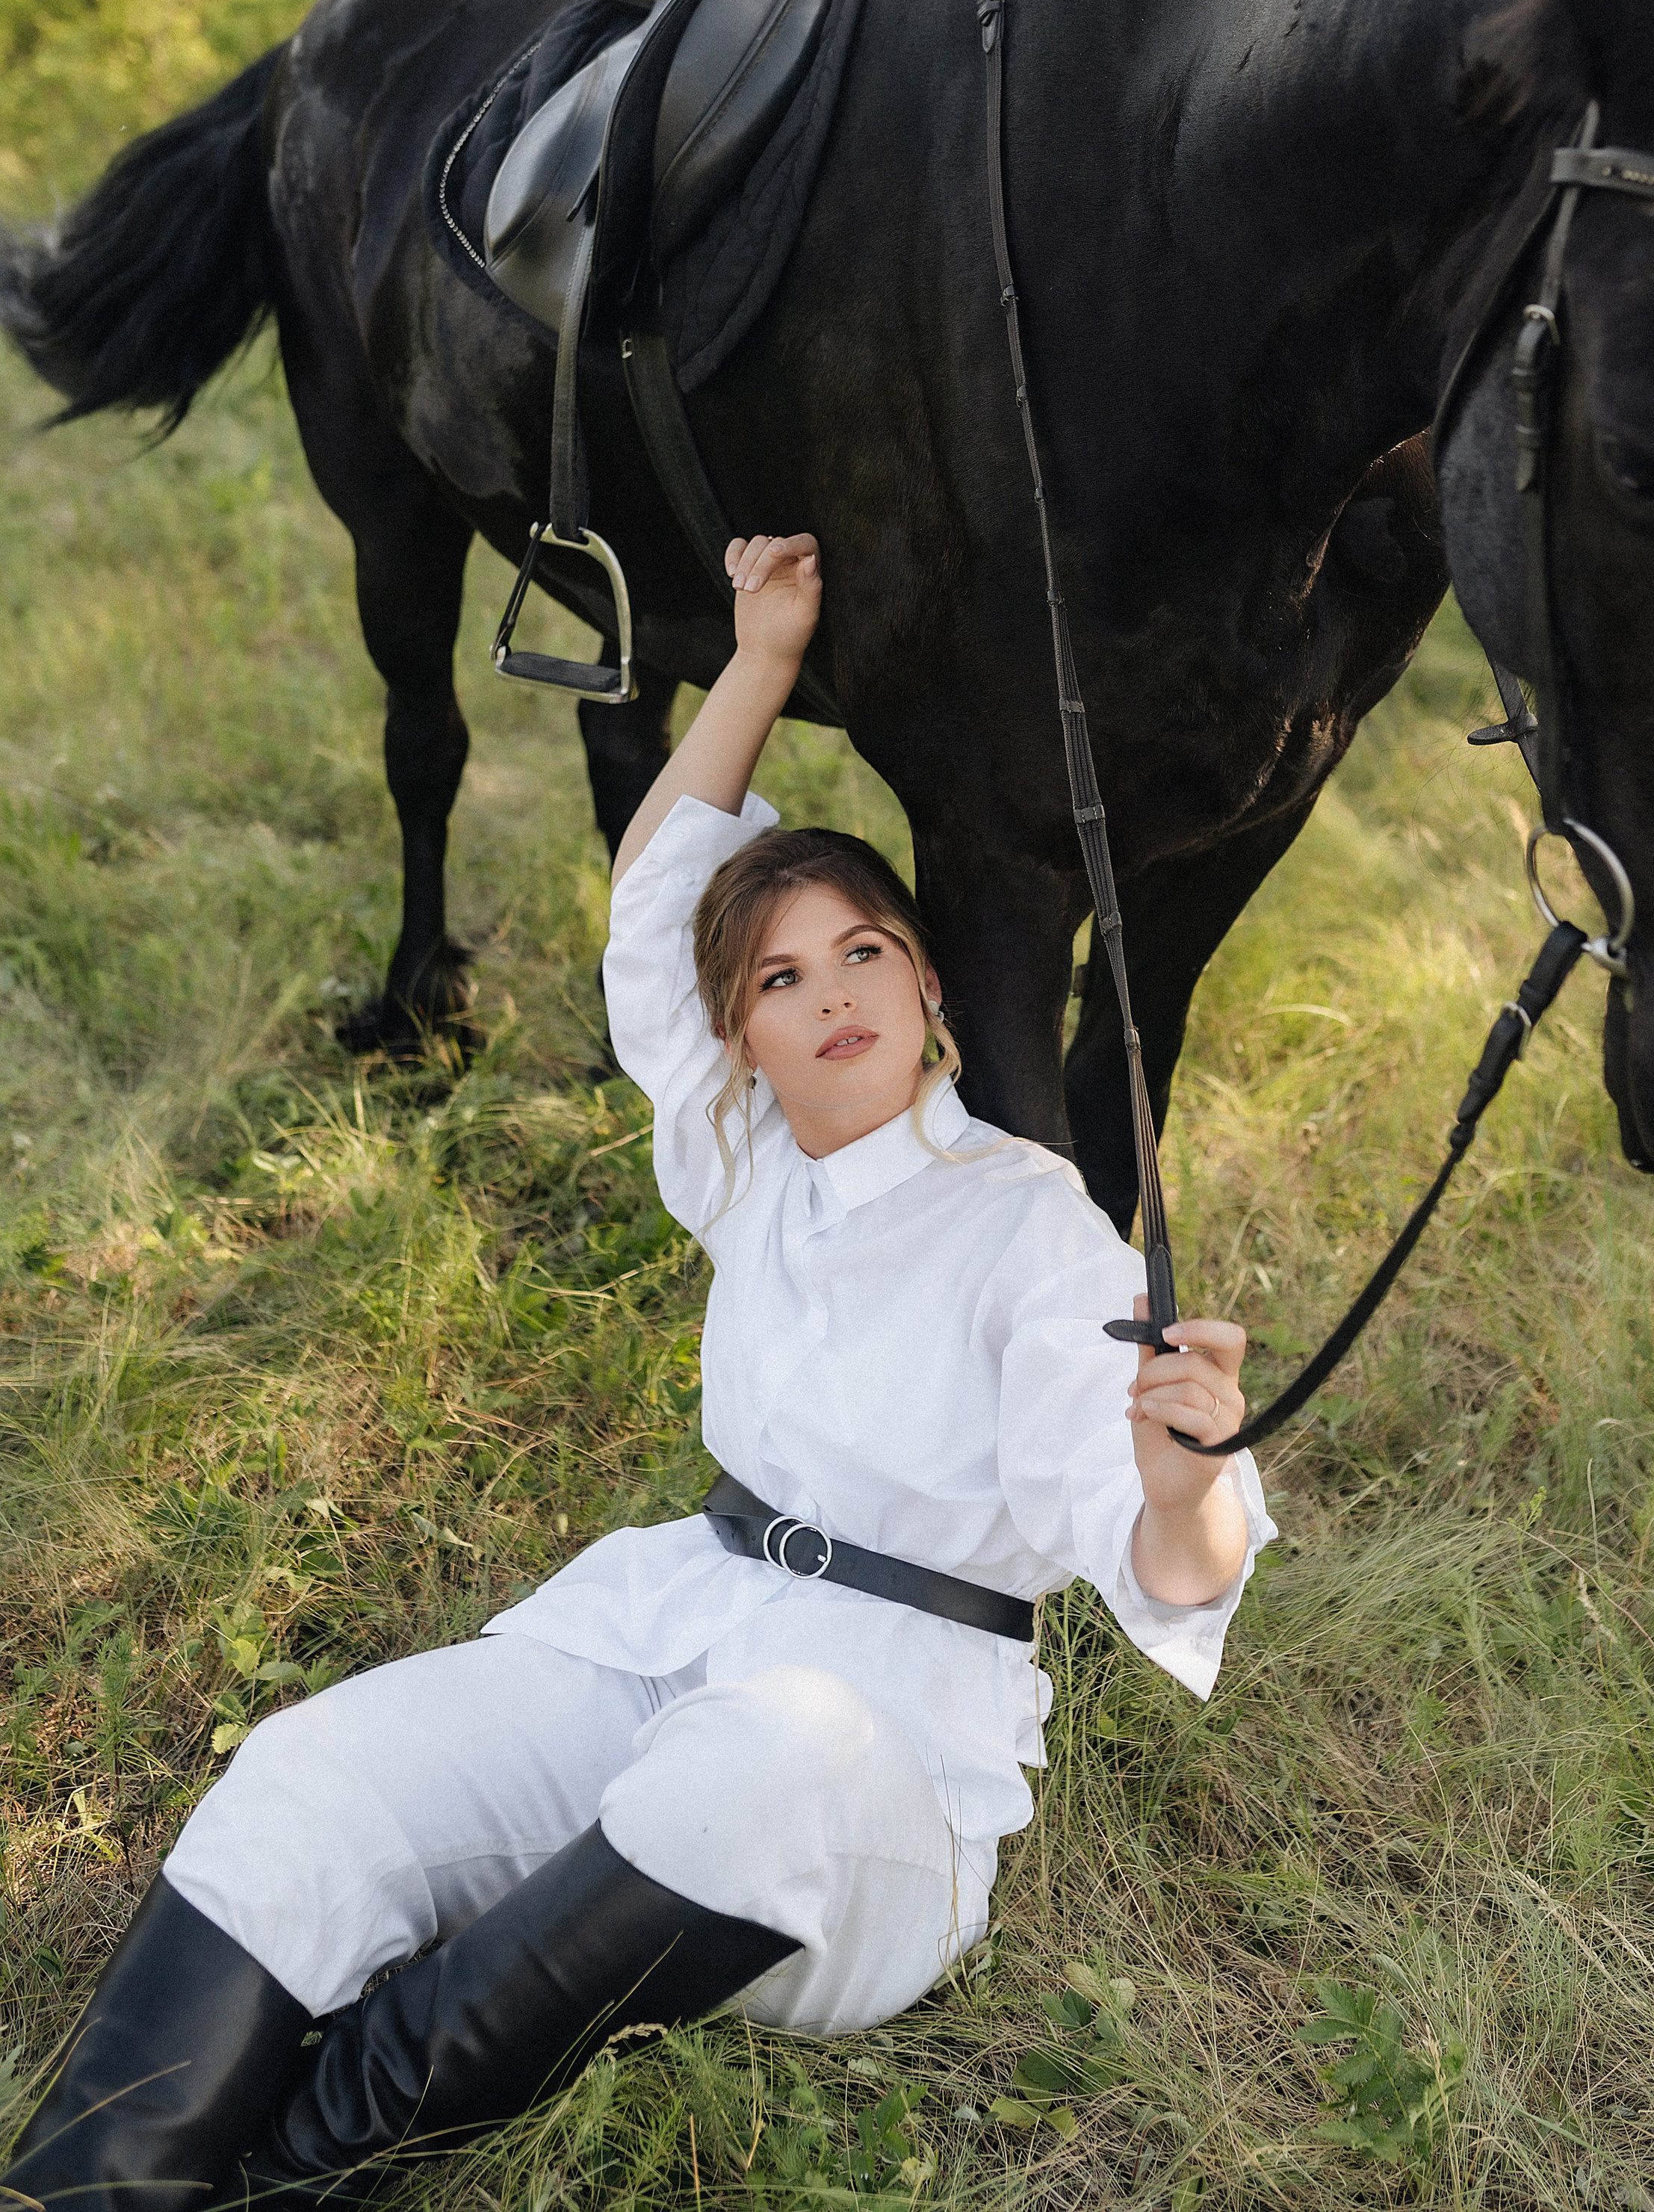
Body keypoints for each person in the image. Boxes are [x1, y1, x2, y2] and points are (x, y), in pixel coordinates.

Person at [7, 534, 1272, 2212]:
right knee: (307, 1774)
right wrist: (757, 660)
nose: (830, 995)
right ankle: (86, 2191)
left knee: (757, 1763)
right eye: (780, 976)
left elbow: (1162, 1549)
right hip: (661, 1638)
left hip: (867, 1780)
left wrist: (1183, 1478)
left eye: (864, 953)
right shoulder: (746, 1166)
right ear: (735, 1038)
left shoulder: (1034, 1231)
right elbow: (660, 899)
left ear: (929, 984)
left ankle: (293, 2172)